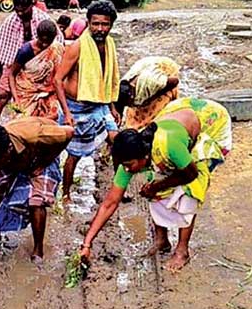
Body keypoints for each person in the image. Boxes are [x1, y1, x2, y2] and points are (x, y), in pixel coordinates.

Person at [79, 97, 231, 272]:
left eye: (129, 165)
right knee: (154, 185)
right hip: (179, 114)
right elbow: (109, 203)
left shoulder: (168, 145)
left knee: (190, 191)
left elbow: (191, 174)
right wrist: (87, 243)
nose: (126, 170)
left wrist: (158, 186)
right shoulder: (131, 157)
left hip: (210, 120)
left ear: (144, 157)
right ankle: (162, 240)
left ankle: (182, 250)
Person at [0, 118, 74, 262]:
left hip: (40, 158)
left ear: (9, 150)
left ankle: (38, 250)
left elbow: (70, 132)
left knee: (37, 201)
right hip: (13, 163)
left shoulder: (35, 135)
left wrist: (45, 162)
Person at [54, 0, 121, 202]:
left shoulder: (109, 44)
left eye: (105, 24)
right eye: (95, 24)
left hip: (99, 103)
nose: (100, 28)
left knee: (117, 140)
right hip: (77, 107)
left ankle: (117, 188)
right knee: (74, 154)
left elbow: (106, 77)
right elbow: (57, 80)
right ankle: (65, 194)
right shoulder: (78, 47)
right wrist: (66, 113)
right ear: (88, 23)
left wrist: (112, 106)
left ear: (111, 25)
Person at [0, 0, 60, 123]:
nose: (20, 13)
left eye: (23, 10)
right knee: (1, 97)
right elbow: (0, 48)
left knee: (43, 101)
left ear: (31, 5)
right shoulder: (10, 21)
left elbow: (57, 46)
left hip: (40, 67)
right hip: (15, 62)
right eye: (17, 10)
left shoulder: (43, 19)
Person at [8, 20, 66, 120]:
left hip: (49, 93)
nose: (44, 45)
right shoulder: (26, 51)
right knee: (22, 122)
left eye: (48, 42)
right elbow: (12, 74)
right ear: (37, 35)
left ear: (54, 38)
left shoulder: (56, 48)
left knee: (53, 119)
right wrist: (16, 99)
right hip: (26, 93)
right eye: (41, 40)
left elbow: (60, 75)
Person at [119, 56, 180, 129]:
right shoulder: (123, 87)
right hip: (147, 73)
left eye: (130, 103)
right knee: (136, 113)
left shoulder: (153, 81)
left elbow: (175, 81)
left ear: (132, 95)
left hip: (164, 77)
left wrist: (153, 97)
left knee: (154, 118)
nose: (130, 105)